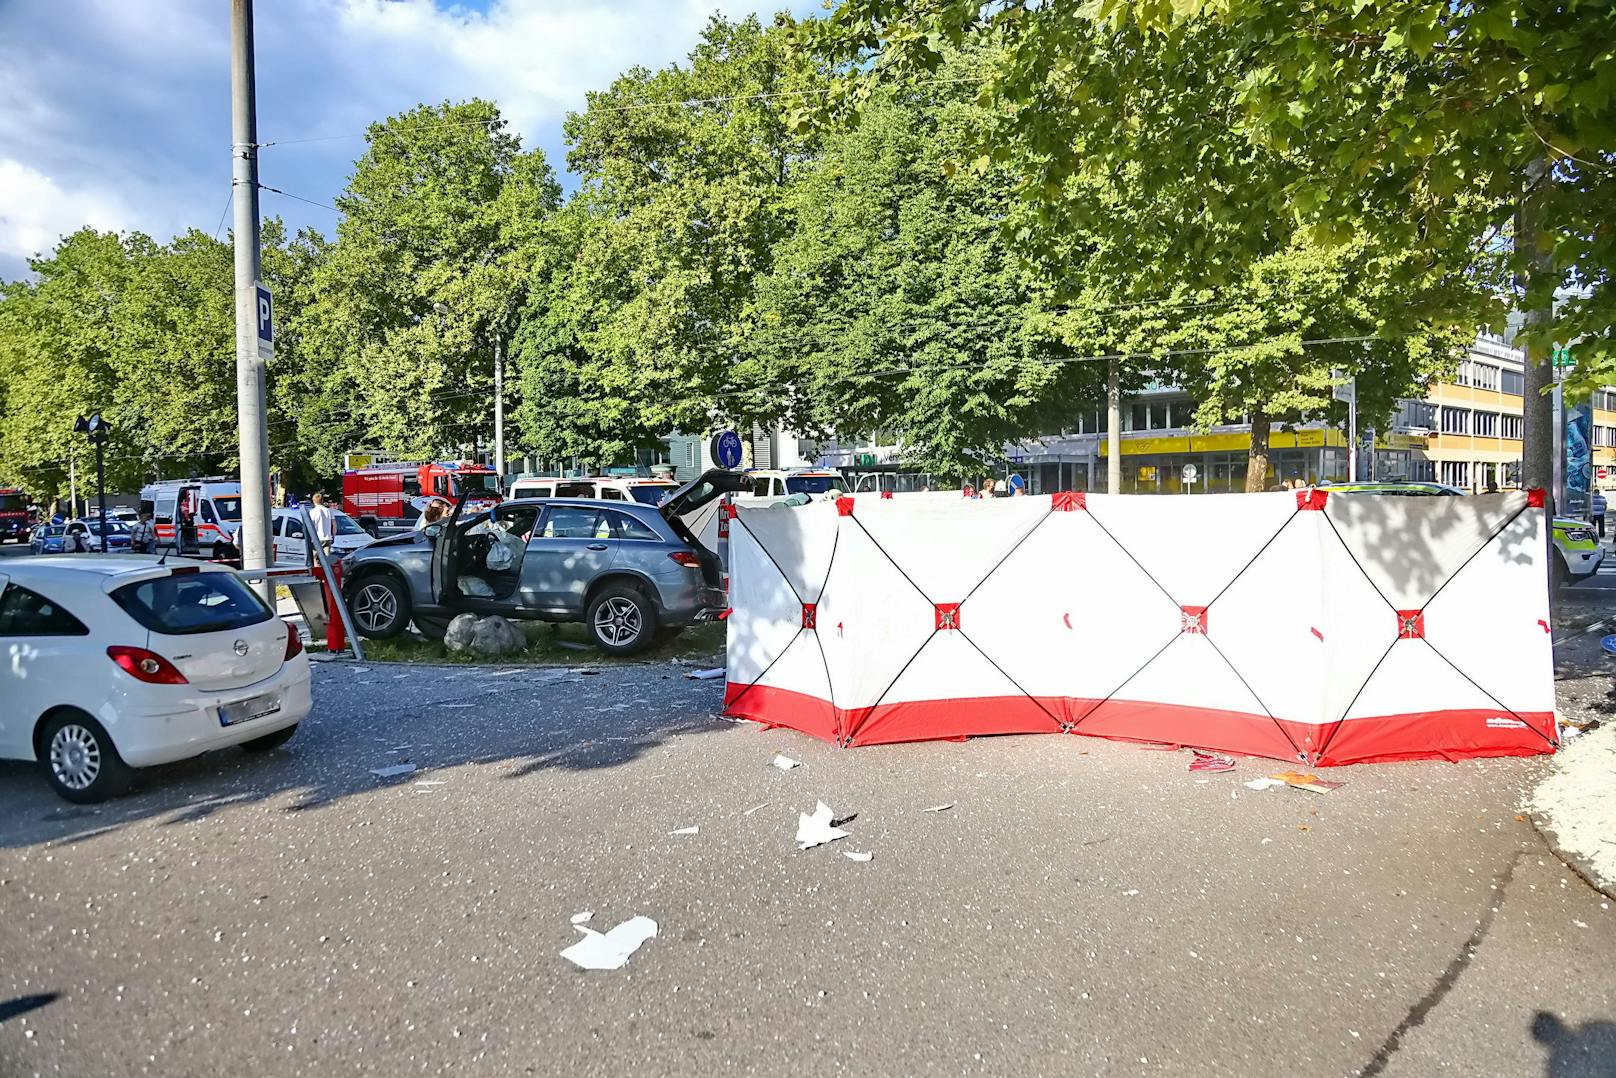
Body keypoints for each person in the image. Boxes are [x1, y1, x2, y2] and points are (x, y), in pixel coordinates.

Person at [307, 491, 335, 555]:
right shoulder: (328, 511)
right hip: (328, 538)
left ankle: (317, 565)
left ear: (313, 501)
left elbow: (310, 525)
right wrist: (333, 536)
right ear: (322, 500)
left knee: (316, 558)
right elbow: (334, 524)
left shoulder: (312, 512)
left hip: (317, 539)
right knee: (326, 559)